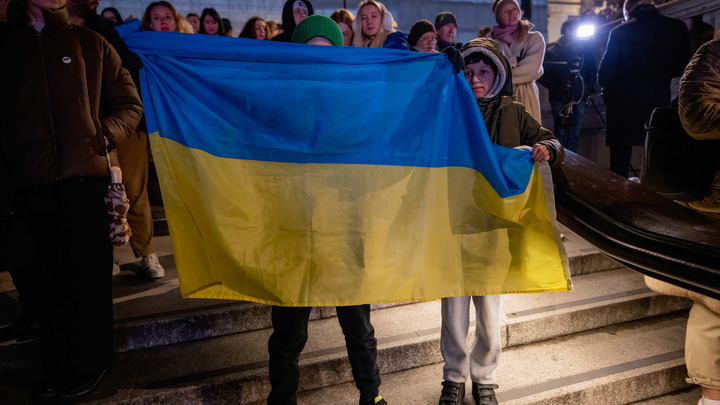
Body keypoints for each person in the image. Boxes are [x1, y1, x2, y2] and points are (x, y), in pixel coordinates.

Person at [0, 0, 142, 400]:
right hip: (28, 185)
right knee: (45, 285)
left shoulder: (91, 43)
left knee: (88, 281)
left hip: (85, 183)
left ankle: (93, 363)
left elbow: (130, 103)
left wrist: (104, 134)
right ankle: (59, 368)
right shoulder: (7, 45)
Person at [266, 16, 388, 405]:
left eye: (327, 52)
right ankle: (281, 398)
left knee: (358, 324)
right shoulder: (279, 99)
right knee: (289, 330)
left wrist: (439, 70)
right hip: (293, 225)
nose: (319, 60)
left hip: (343, 223)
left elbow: (396, 112)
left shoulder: (356, 99)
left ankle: (371, 396)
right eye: (311, 52)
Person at [437, 37, 564, 405]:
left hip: (495, 224)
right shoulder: (448, 108)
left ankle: (485, 377)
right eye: (468, 72)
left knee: (490, 307)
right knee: (453, 304)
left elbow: (549, 139)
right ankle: (454, 377)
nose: (475, 79)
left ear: (498, 75)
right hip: (455, 219)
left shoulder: (513, 112)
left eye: (483, 71)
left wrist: (547, 149)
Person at [644, 32, 720, 405]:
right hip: (712, 205)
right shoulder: (713, 54)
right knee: (714, 301)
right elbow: (696, 118)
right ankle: (712, 396)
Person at [597, 0, 691, 177]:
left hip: (623, 108)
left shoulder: (620, 31)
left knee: (619, 168)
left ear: (628, 10)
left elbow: (605, 76)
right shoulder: (677, 27)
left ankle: (617, 194)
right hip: (658, 104)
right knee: (658, 164)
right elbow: (682, 68)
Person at [537, 18, 597, 152]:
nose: (574, 32)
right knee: (560, 130)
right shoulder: (552, 50)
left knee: (575, 130)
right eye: (571, 29)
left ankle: (573, 159)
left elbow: (592, 70)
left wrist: (586, 88)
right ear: (564, 31)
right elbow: (543, 74)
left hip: (579, 96)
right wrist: (556, 89)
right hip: (559, 97)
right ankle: (560, 158)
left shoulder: (585, 50)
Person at [485, 0, 545, 124]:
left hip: (526, 94)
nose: (511, 14)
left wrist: (501, 74)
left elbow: (531, 70)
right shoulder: (489, 41)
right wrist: (516, 63)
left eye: (514, 9)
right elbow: (488, 71)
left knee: (525, 130)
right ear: (498, 16)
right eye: (506, 11)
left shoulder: (534, 38)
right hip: (499, 99)